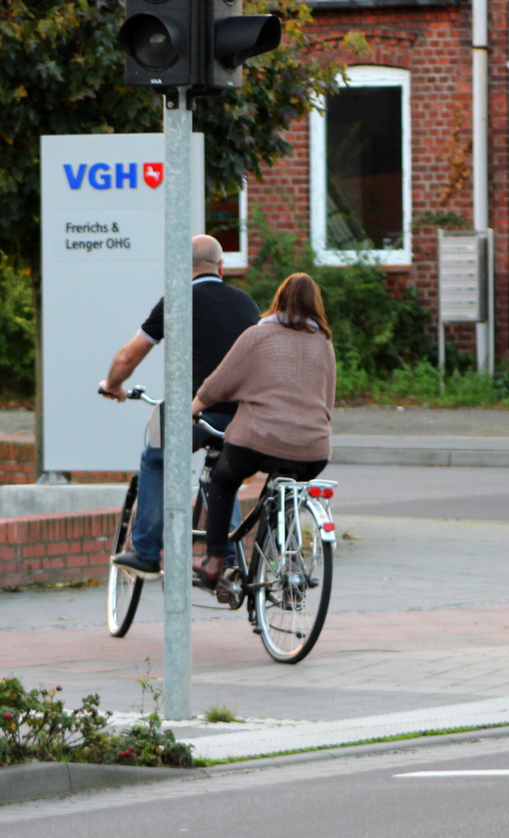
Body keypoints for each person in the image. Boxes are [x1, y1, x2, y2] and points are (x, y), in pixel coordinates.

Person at [99, 234, 259, 578]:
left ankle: (145, 552)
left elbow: (129, 356)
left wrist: (112, 385)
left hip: (195, 410)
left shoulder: (177, 300)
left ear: (183, 269)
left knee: (155, 459)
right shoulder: (247, 304)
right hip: (242, 413)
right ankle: (229, 555)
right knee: (224, 472)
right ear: (221, 266)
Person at [189, 272, 338, 596]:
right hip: (313, 450)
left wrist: (195, 406)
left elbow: (219, 383)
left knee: (223, 480)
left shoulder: (258, 335)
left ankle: (214, 560)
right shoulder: (324, 343)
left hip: (258, 439)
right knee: (285, 492)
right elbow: (328, 400)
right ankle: (291, 561)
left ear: (278, 300)